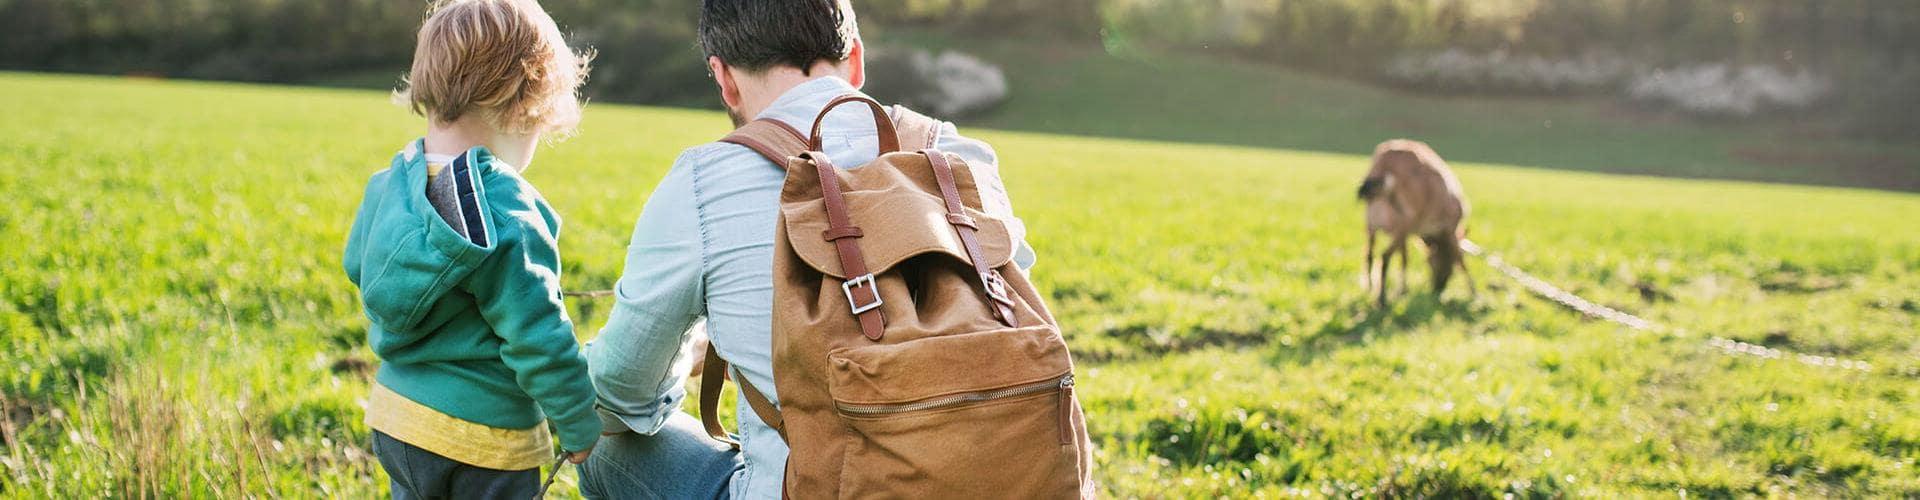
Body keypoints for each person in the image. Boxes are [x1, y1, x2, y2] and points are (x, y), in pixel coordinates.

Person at [579, 0, 1036, 498]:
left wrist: (702, 350)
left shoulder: (703, 180)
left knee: (604, 448)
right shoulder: (959, 154)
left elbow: (620, 394)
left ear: (724, 78)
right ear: (856, 59)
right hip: (1003, 474)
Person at [341, 0, 598, 497]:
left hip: (397, 420)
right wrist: (578, 422)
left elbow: (358, 265)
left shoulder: (391, 182)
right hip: (485, 442)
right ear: (523, 103)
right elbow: (538, 334)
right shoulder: (506, 205)